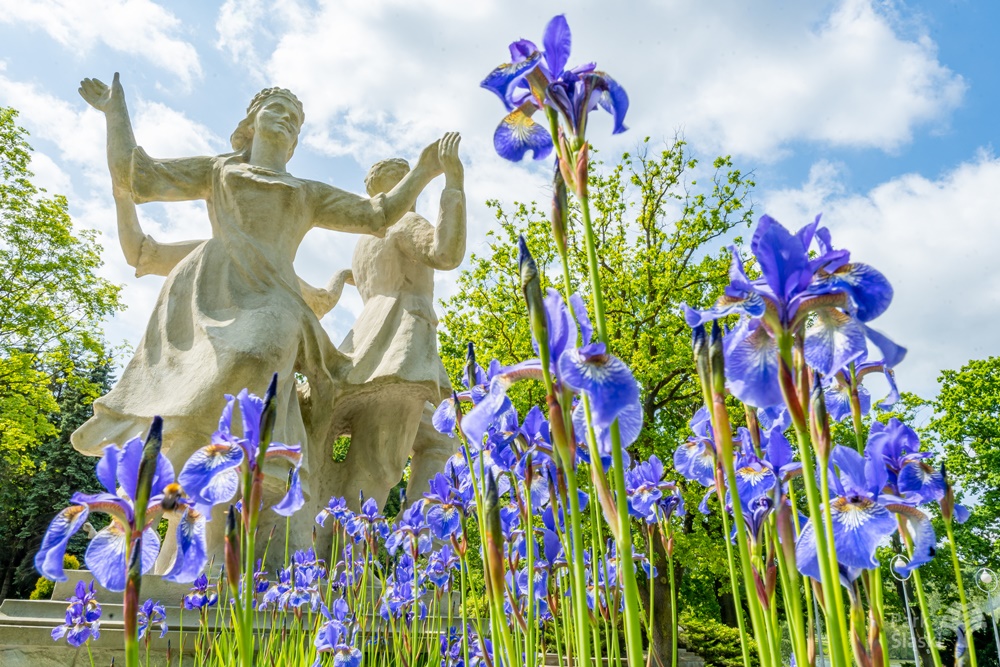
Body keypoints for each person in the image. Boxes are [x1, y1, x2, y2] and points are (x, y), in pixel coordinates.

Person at [73, 73, 449, 563]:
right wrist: (114, 112)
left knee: (256, 355)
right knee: (194, 411)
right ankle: (174, 537)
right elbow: (136, 176)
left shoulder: (305, 192)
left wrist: (425, 171)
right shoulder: (219, 170)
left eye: (295, 120)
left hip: (274, 302)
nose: (286, 120)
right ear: (250, 122)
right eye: (277, 110)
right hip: (210, 295)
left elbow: (378, 214)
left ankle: (244, 495)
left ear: (296, 142)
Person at [321, 134, 466, 513]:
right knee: (379, 459)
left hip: (373, 337)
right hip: (403, 340)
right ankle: (351, 543)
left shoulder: (362, 243)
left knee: (439, 438)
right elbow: (445, 253)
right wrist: (454, 183)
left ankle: (422, 528)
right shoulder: (404, 222)